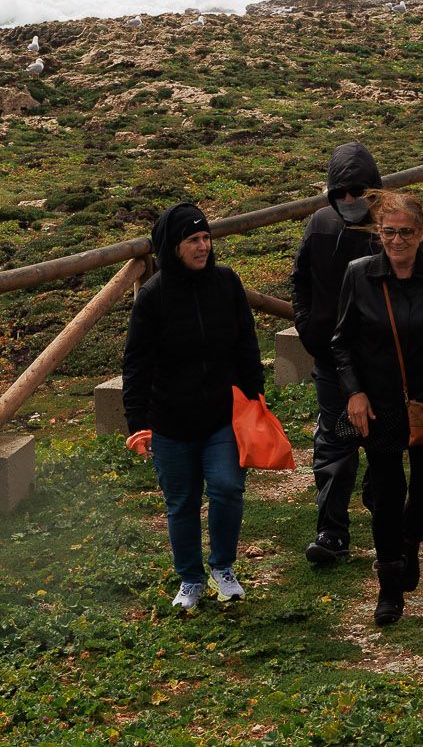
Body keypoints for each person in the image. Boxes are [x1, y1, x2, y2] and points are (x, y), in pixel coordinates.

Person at [330, 190, 423, 626]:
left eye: (405, 233)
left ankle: (410, 539)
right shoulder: (359, 275)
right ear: (379, 234)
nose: (396, 241)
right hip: (377, 404)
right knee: (387, 491)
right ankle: (390, 587)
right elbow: (341, 344)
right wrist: (354, 392)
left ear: (422, 233)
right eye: (388, 232)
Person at [291, 142, 423, 566]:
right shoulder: (320, 225)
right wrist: (308, 328)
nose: (350, 200)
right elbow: (299, 279)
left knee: (387, 448)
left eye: (359, 191)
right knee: (335, 444)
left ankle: (390, 534)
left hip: (389, 365)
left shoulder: (405, 224)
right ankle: (332, 532)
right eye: (341, 193)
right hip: (332, 360)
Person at [122, 202, 264, 609]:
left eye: (206, 238)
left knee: (227, 488)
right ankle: (190, 579)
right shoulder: (153, 297)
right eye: (192, 240)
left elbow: (245, 343)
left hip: (222, 416)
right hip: (170, 422)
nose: (203, 246)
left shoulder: (226, 283)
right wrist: (137, 421)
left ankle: (222, 568)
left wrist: (254, 395)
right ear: (173, 246)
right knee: (181, 502)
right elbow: (137, 364)